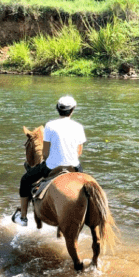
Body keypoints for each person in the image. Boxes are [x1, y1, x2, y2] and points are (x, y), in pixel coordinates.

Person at [12, 95, 86, 227]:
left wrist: (50, 159)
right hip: (74, 166)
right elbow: (79, 152)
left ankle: (23, 217)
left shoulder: (50, 126)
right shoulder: (78, 127)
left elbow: (45, 153)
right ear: (73, 110)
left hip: (52, 167)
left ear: (57, 109)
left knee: (25, 180)